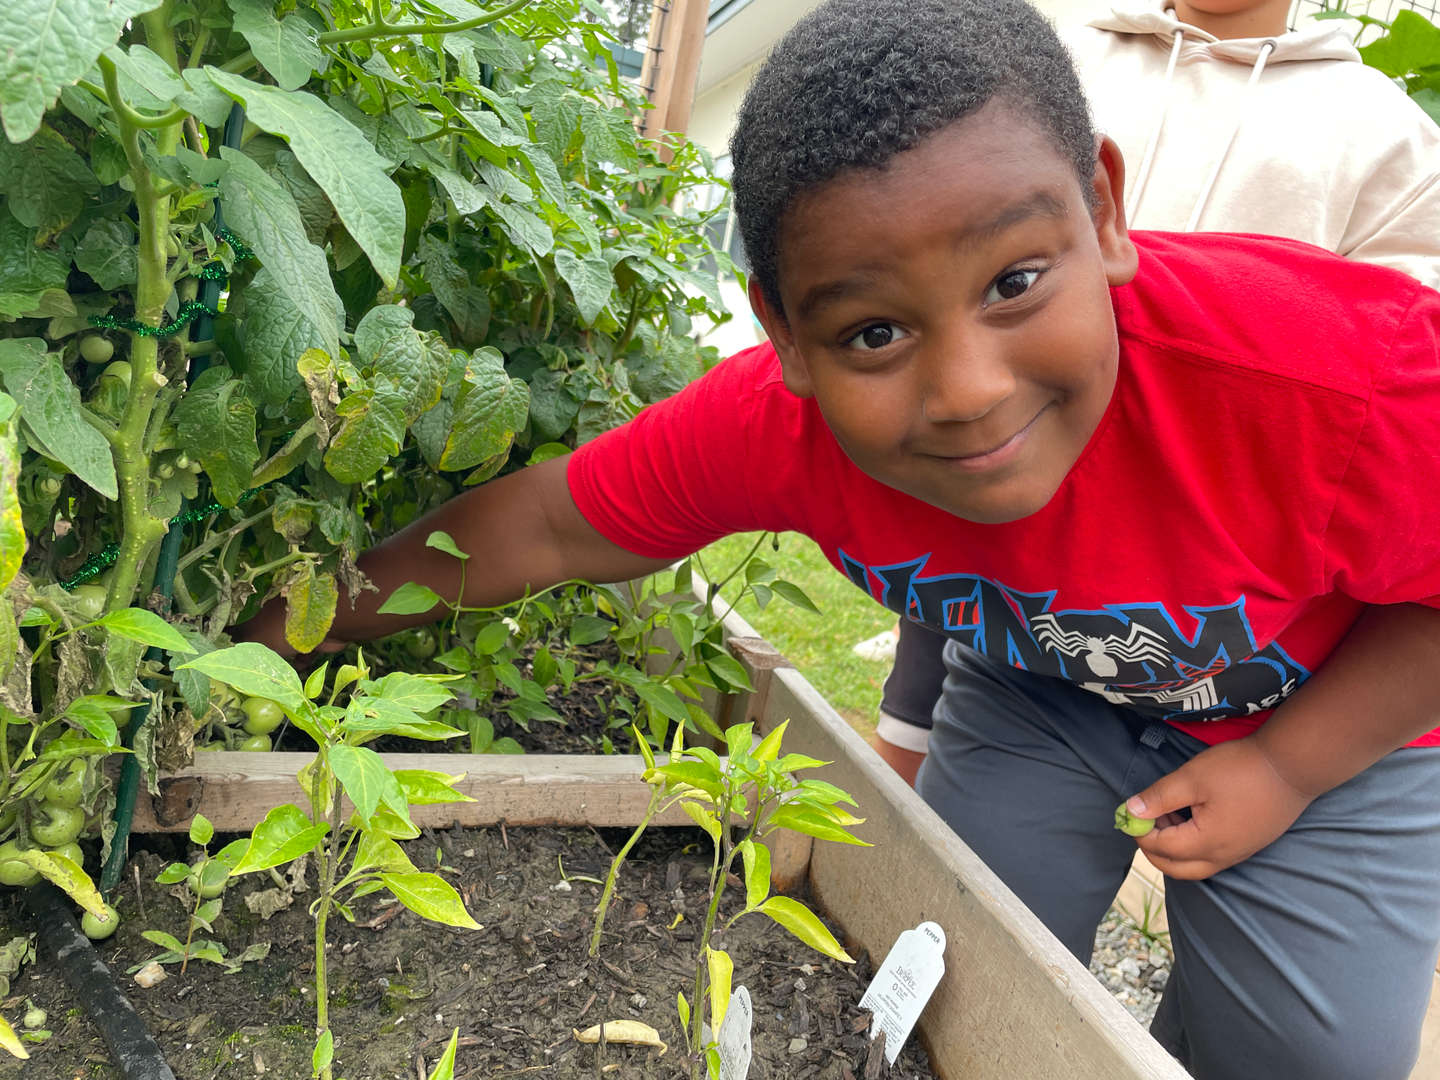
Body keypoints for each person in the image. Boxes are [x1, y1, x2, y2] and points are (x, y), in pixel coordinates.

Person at [243, 1, 1440, 1075]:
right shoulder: (774, 427)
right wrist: (271, 635)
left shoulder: (1342, 384)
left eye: (1017, 279)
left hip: (1341, 714)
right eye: (874, 334)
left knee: (1309, 1053)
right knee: (958, 967)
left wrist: (1289, 769)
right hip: (1041, 690)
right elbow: (551, 526)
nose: (967, 389)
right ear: (788, 338)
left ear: (1105, 213)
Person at [869, 0, 1440, 787]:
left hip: (1220, 533)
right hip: (1017, 472)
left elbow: (1400, 369)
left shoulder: (1385, 132)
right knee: (923, 738)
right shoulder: (1060, 56)